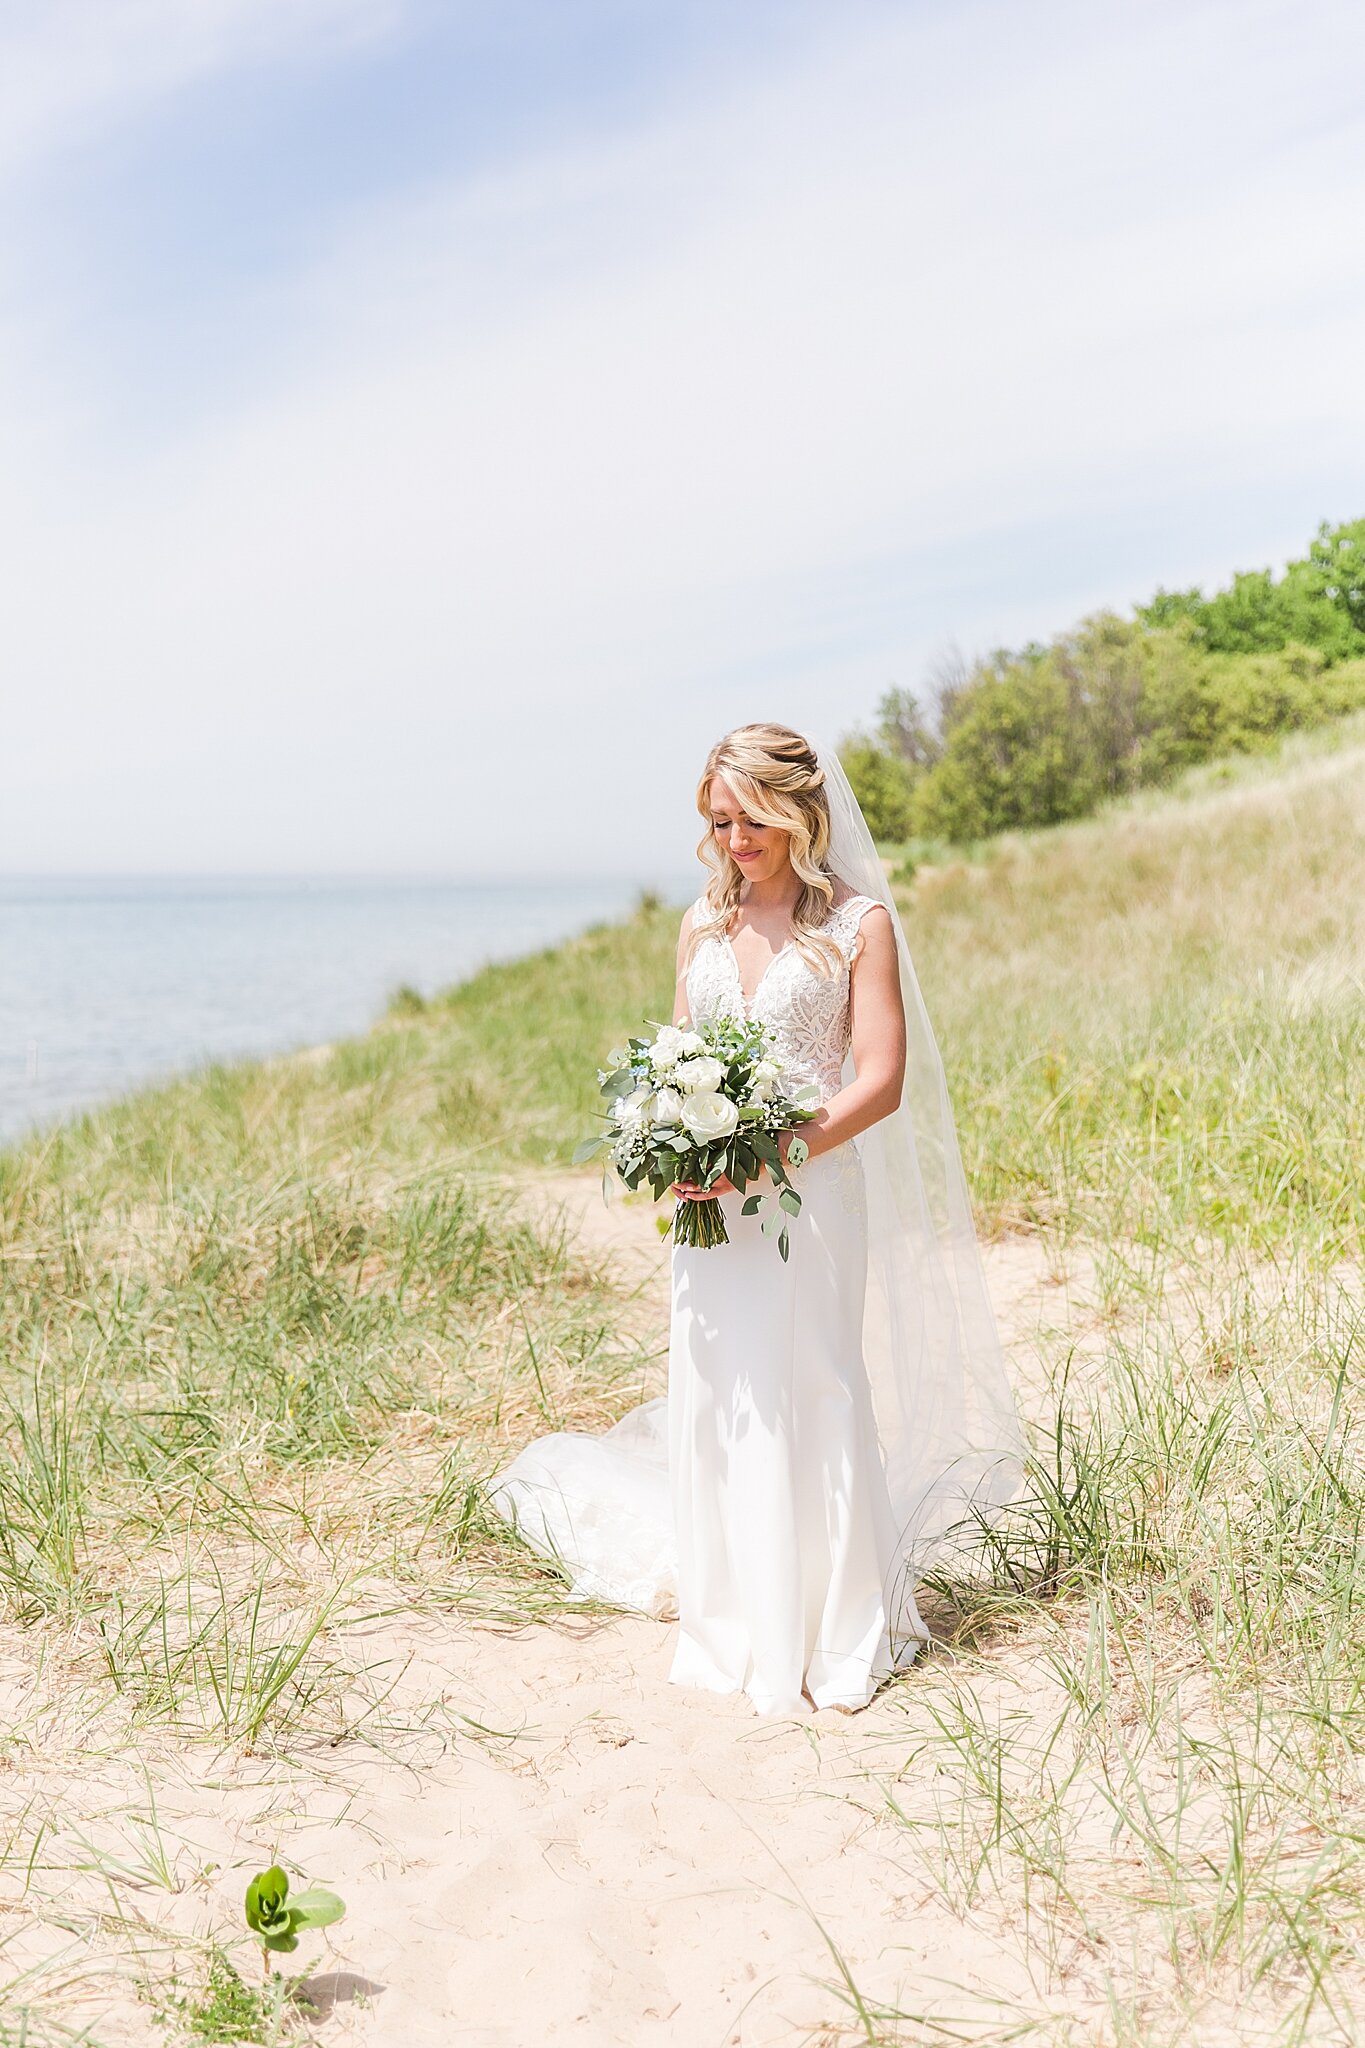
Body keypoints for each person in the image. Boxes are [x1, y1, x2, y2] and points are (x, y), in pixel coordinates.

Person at [491, 722, 1022, 1716]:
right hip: (715, 1216)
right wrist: (681, 1155)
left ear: (798, 811)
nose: (734, 837)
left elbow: (882, 1079)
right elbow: (680, 1063)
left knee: (811, 1381)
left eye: (751, 818)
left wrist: (776, 1154)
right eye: (718, 819)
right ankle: (734, 1615)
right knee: (719, 1390)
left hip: (811, 1198)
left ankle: (829, 1623)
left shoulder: (856, 925)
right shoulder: (698, 925)